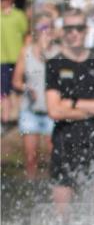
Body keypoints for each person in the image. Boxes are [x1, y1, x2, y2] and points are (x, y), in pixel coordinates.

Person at [45, 9, 94, 207]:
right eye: (69, 29)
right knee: (62, 212)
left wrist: (74, 103)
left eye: (79, 28)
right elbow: (54, 111)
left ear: (86, 30)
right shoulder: (54, 64)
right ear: (63, 32)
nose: (74, 33)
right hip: (65, 142)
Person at [12, 18, 57, 180]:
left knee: (54, 155)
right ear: (36, 31)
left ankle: (55, 187)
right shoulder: (26, 51)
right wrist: (26, 88)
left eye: (50, 27)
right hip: (30, 111)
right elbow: (16, 81)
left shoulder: (59, 53)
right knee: (31, 158)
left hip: (52, 111)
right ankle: (31, 188)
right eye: (43, 27)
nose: (47, 30)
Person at [1, 0, 28, 125]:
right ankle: (5, 119)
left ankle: (20, 117)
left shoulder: (19, 15)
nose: (2, 1)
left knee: (18, 88)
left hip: (18, 58)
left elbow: (26, 35)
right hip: (2, 59)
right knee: (3, 91)